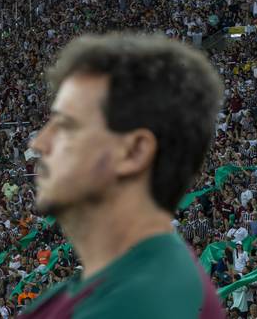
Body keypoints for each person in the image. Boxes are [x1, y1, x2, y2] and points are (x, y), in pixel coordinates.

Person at [22, 34, 225, 318]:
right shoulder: (110, 286)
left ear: (133, 152)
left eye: (66, 126)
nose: (39, 143)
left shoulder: (142, 303)